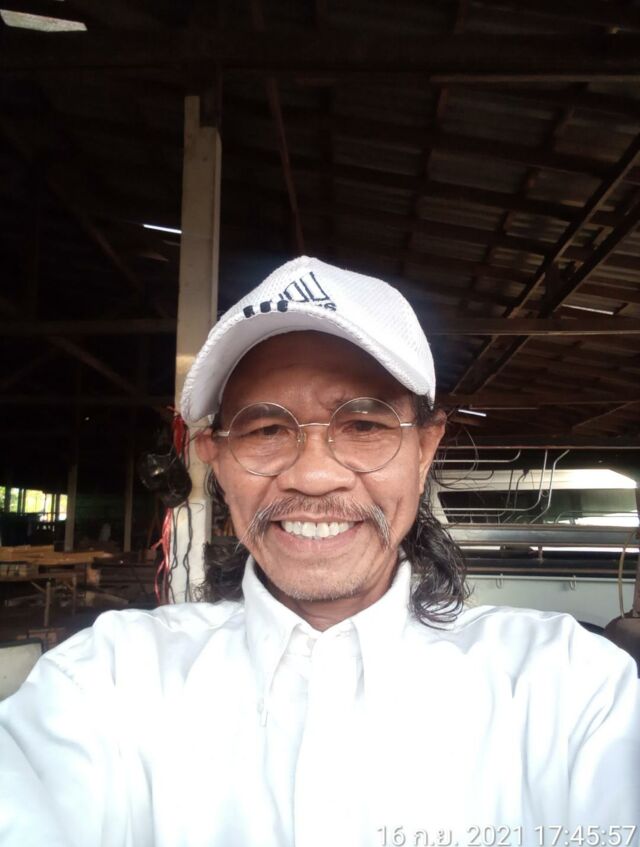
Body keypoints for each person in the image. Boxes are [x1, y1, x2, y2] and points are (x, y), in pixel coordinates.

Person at [0, 256, 638, 847]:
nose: (312, 476)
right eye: (266, 429)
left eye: (363, 425)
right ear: (215, 457)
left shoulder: (568, 689)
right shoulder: (110, 681)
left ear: (425, 450)